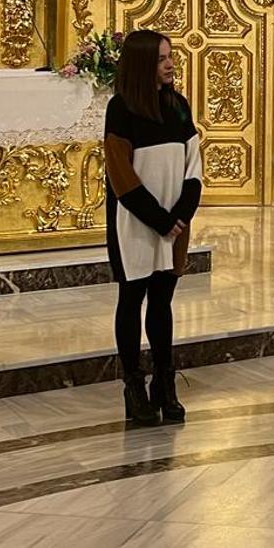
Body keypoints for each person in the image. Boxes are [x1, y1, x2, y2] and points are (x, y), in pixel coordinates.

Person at [103, 29, 202, 425]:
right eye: (162, 58)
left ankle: (165, 382)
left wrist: (181, 215)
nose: (170, 63)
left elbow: (193, 164)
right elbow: (121, 175)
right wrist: (160, 220)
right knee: (132, 300)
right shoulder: (121, 108)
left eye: (170, 56)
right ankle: (134, 387)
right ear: (143, 63)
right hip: (137, 224)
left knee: (162, 303)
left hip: (174, 226)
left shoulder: (178, 106)